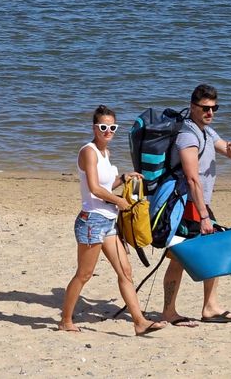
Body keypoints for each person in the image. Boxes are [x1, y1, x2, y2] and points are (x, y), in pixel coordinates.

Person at [59, 106, 168, 337]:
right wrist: (119, 202)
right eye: (103, 127)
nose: (108, 131)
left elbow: (106, 185)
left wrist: (124, 178)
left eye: (112, 127)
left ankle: (139, 322)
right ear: (94, 128)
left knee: (125, 271)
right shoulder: (88, 151)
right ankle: (65, 320)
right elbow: (95, 189)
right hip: (91, 221)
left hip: (108, 222)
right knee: (84, 274)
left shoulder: (106, 153)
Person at [160, 84, 231, 327]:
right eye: (206, 108)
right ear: (193, 107)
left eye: (214, 108)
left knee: (213, 250)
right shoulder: (188, 135)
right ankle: (169, 312)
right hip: (188, 205)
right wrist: (204, 216)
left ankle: (209, 306)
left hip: (200, 204)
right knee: (179, 258)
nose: (211, 113)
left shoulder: (207, 132)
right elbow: (192, 177)